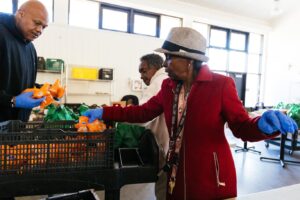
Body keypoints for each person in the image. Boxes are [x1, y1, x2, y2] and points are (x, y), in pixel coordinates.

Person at [83, 27, 298, 199]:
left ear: (189, 60)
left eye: (169, 58)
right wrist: (105, 112)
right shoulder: (168, 87)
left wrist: (262, 125)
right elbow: (142, 112)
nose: (165, 64)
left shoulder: (221, 85)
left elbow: (241, 127)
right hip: (175, 173)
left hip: (210, 178)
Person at [0, 0, 48, 122]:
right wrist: (12, 101)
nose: (39, 30)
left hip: (17, 129)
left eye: (43, 27)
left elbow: (17, 82)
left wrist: (42, 90)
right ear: (21, 14)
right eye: (37, 23)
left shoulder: (30, 48)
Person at [139, 53, 169, 200]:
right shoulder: (166, 81)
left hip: (164, 147)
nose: (141, 76)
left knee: (164, 189)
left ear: (156, 68)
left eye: (144, 71)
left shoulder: (158, 83)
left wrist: (109, 114)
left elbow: (142, 116)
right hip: (167, 145)